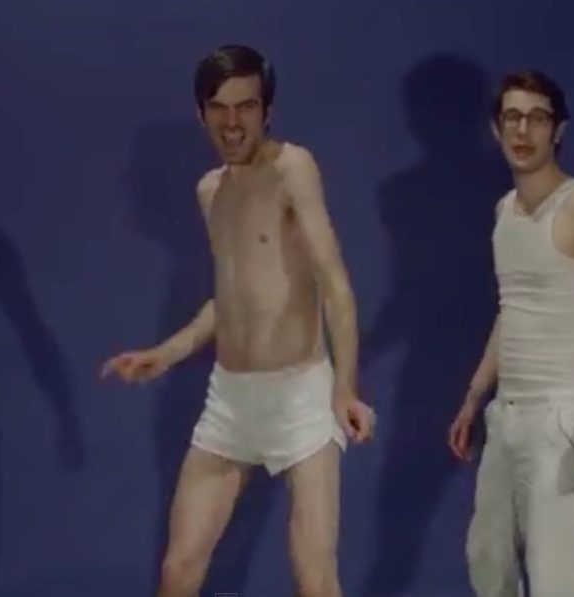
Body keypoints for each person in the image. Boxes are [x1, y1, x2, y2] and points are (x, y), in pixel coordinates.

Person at [101, 45, 374, 597]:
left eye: (246, 106)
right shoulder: (210, 191)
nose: (232, 122)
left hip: (301, 396)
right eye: (219, 108)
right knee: (178, 570)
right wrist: (165, 354)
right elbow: (229, 299)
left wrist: (345, 387)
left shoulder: (293, 167)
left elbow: (335, 286)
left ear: (267, 111)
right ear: (201, 113)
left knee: (315, 579)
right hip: (231, 400)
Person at [447, 71, 574, 596]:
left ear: (557, 130)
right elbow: (511, 312)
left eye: (537, 118)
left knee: (555, 575)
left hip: (560, 418)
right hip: (507, 415)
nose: (523, 130)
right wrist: (473, 396)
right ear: (496, 129)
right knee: (487, 559)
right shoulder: (505, 211)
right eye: (512, 118)